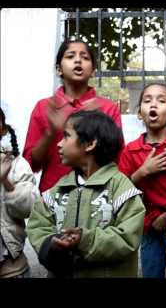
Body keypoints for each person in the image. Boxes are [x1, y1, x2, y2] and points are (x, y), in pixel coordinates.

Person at [26, 110, 145, 278]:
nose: (59, 144)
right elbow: (38, 226)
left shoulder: (122, 189)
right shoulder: (58, 190)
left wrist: (84, 240)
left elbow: (127, 238)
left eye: (66, 136)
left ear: (90, 144)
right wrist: (52, 245)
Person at [23, 39, 123, 193]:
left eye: (85, 57)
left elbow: (117, 159)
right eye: (70, 56)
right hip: (53, 195)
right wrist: (50, 133)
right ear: (59, 69)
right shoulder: (44, 107)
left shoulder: (108, 108)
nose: (78, 60)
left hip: (98, 195)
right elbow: (31, 165)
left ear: (93, 70)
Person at [118, 83, 166, 278]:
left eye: (161, 100)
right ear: (139, 113)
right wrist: (143, 172)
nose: (153, 105)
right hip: (148, 229)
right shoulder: (131, 150)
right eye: (147, 100)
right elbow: (120, 192)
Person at [0, 107, 40, 278]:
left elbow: (28, 209)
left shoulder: (16, 164)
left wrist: (5, 180)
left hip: (11, 267)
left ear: (2, 129)